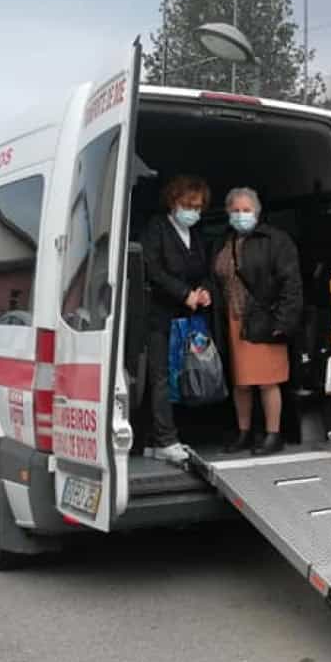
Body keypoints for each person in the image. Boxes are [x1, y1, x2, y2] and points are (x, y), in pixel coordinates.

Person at [213, 187, 302, 455]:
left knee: (267, 380)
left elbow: (291, 283)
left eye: (246, 210)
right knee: (240, 381)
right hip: (233, 319)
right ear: (228, 213)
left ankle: (273, 435)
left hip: (265, 318)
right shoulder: (223, 242)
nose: (241, 216)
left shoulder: (275, 240)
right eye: (236, 211)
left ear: (258, 212)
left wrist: (283, 321)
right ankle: (244, 432)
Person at [140, 174, 214, 465]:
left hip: (187, 320)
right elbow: (152, 268)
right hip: (160, 317)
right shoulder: (156, 229)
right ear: (173, 202)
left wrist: (204, 291)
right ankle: (164, 440)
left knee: (182, 376)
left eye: (198, 207)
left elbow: (204, 270)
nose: (193, 212)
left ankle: (166, 436)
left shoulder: (196, 235)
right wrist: (184, 293)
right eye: (188, 205)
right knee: (160, 378)